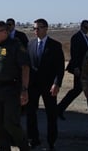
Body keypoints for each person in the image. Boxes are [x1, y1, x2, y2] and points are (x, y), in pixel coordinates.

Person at [0, 20, 30, 151]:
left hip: (11, 89)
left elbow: (25, 68)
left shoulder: (15, 45)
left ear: (5, 32)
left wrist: (24, 90)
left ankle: (24, 147)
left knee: (10, 123)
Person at [25, 19, 65, 150]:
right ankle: (33, 139)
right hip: (33, 86)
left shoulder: (55, 45)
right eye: (34, 28)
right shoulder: (30, 44)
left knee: (51, 115)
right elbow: (27, 66)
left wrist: (56, 84)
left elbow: (60, 67)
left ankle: (51, 141)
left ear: (46, 28)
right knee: (31, 113)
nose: (36, 31)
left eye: (38, 28)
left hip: (49, 86)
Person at [57, 19, 88, 120]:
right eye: (86, 28)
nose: (87, 30)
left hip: (87, 69)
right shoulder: (76, 37)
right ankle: (59, 109)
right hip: (80, 69)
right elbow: (74, 53)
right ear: (81, 27)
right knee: (77, 90)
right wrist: (76, 67)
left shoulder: (86, 38)